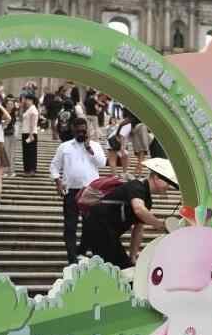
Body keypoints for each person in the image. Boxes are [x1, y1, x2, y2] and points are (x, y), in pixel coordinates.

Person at [78, 158, 175, 268]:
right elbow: (139, 209)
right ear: (156, 177)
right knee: (119, 269)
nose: (169, 186)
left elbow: (138, 229)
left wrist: (133, 256)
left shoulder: (147, 200)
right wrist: (161, 225)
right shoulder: (136, 186)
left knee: (119, 268)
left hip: (107, 232)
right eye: (167, 182)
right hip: (98, 227)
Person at [50, 118, 107, 264]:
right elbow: (54, 166)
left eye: (84, 130)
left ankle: (81, 251)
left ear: (87, 130)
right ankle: (72, 258)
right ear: (73, 130)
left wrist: (89, 149)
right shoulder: (65, 147)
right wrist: (58, 182)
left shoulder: (95, 145)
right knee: (70, 225)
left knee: (90, 225)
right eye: (78, 130)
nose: (81, 133)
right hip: (71, 192)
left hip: (91, 191)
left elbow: (102, 163)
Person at [19, 94, 40, 176]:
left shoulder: (33, 110)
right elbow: (21, 117)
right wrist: (21, 106)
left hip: (31, 133)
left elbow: (33, 123)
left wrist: (31, 135)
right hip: (25, 132)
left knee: (31, 152)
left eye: (27, 100)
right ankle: (27, 169)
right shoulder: (28, 109)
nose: (26, 101)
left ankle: (31, 170)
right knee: (26, 152)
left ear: (32, 100)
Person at [2, 96, 19, 178]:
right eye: (9, 104)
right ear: (5, 105)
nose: (10, 105)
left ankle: (11, 170)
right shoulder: (3, 113)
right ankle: (4, 171)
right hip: (4, 134)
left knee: (12, 153)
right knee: (5, 153)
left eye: (12, 104)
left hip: (12, 134)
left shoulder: (14, 113)